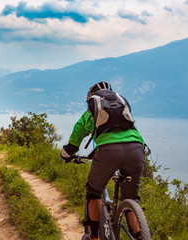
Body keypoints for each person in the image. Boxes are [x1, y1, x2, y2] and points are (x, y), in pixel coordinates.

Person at [60, 81, 146, 240]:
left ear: (91, 100)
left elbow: (74, 141)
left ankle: (94, 236)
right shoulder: (122, 108)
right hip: (136, 150)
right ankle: (142, 236)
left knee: (93, 192)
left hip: (108, 153)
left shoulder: (90, 113)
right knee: (130, 199)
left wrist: (67, 153)